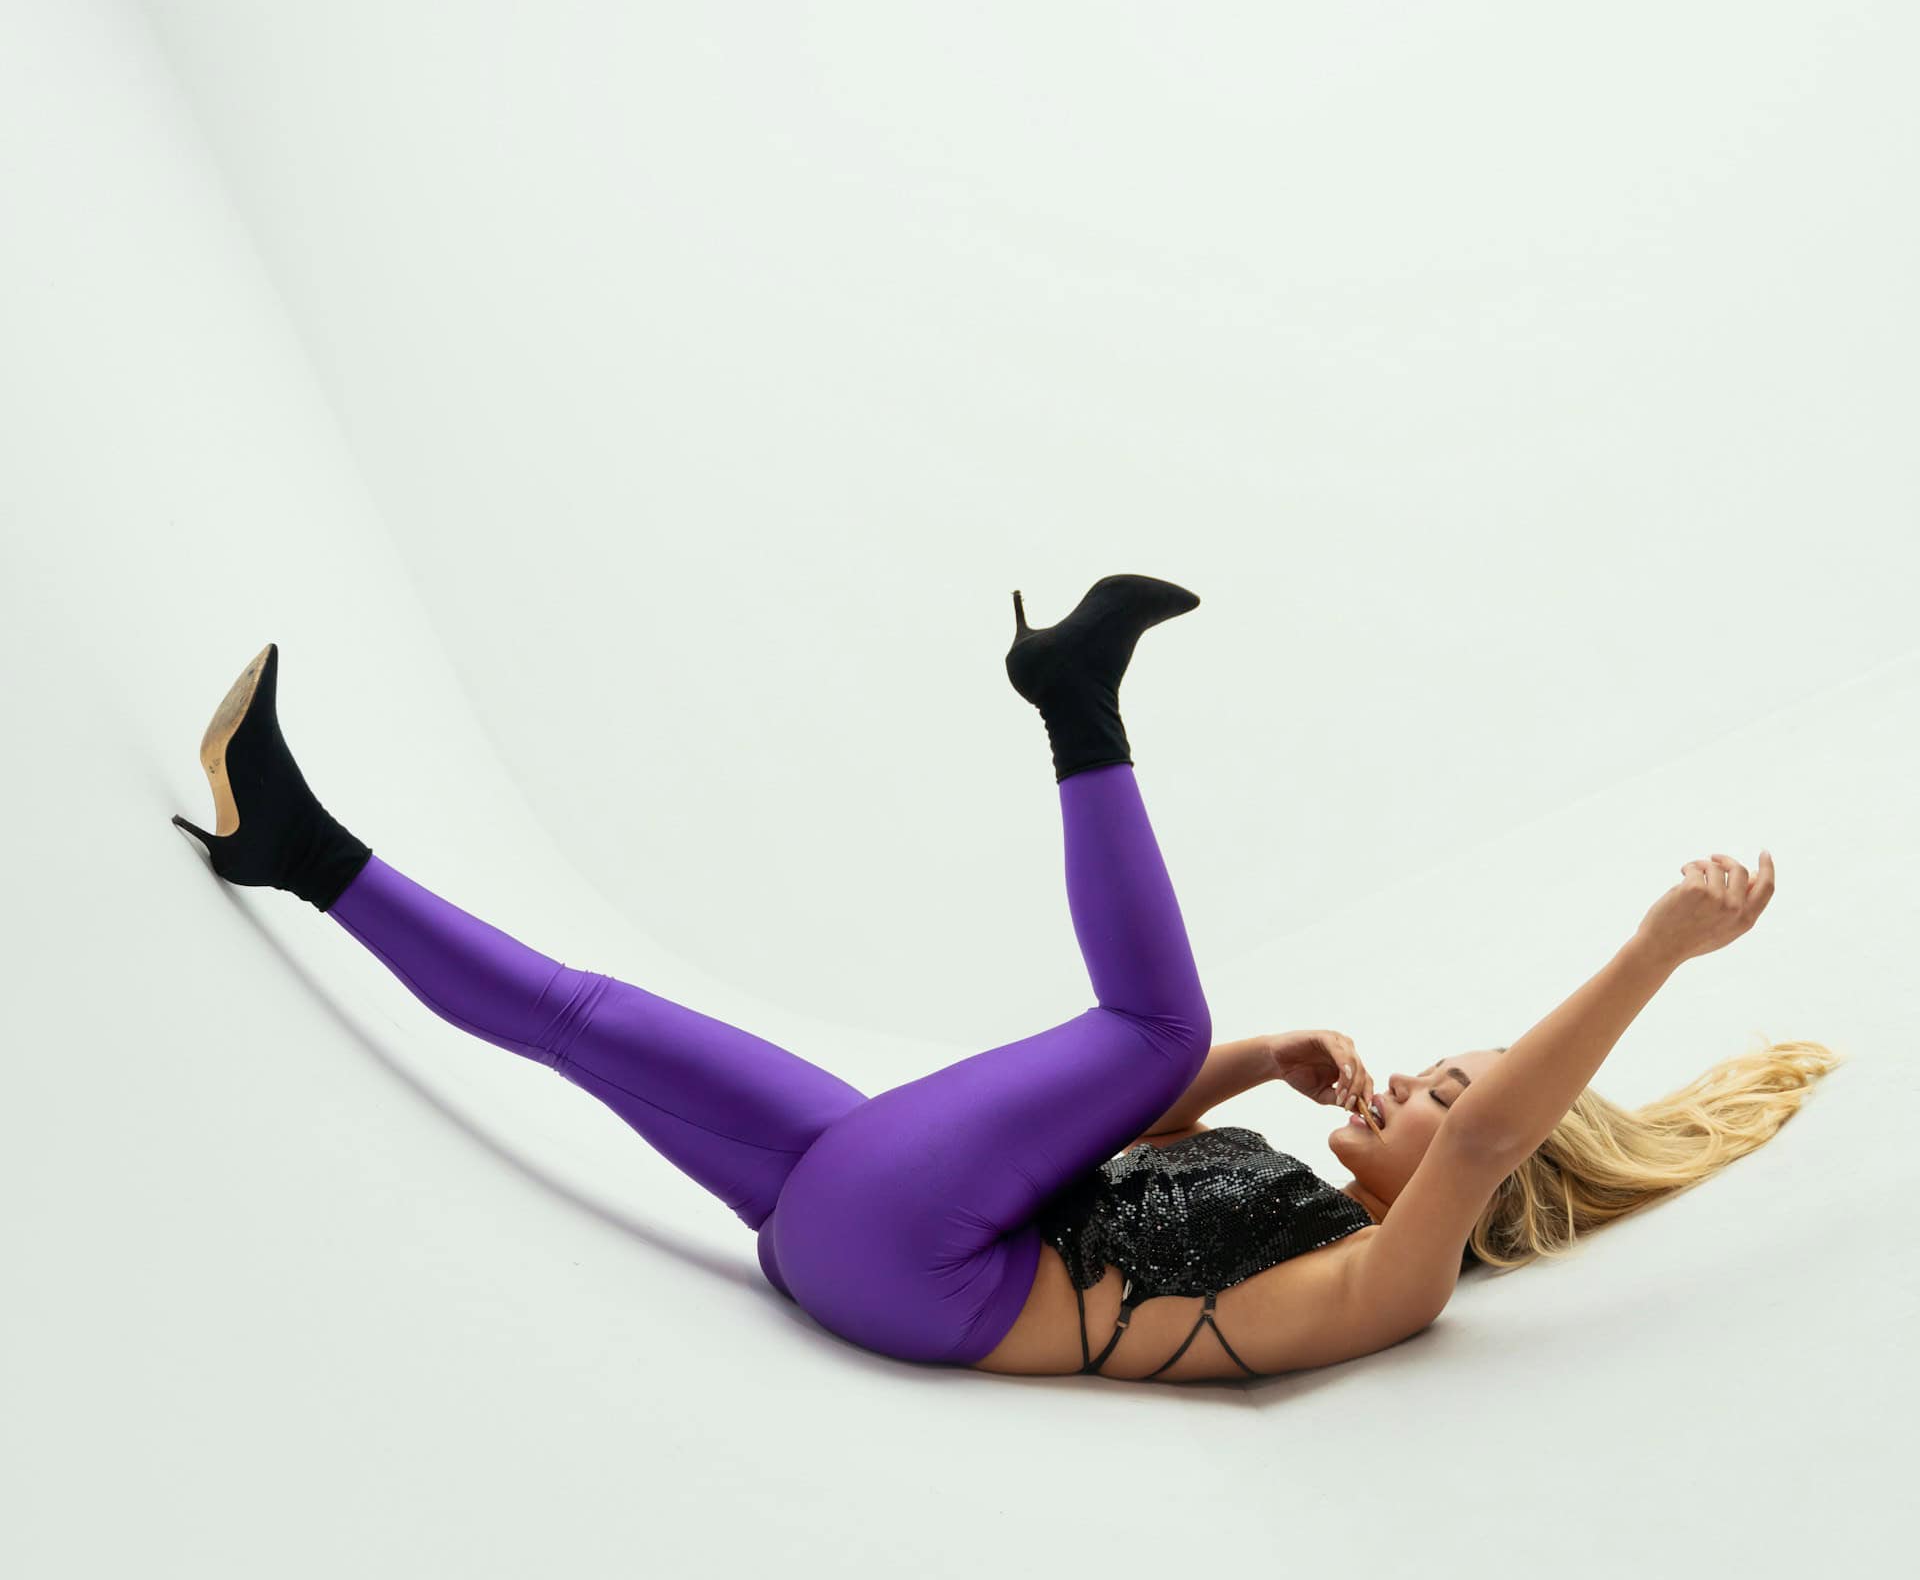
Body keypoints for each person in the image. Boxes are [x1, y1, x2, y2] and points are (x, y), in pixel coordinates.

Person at [171, 579, 1810, 1386]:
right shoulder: (1288, 1187)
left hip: (923, 1273)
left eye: (1448, 1091)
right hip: (861, 1217)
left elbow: (1491, 1137)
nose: (1419, 1086)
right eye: (1443, 1067)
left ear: (1493, 1182)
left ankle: (1074, 698)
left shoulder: (1390, 1284)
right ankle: (295, 849)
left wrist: (1657, 947)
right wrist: (1249, 1060)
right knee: (590, 1018)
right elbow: (1103, 1133)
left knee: (1146, 1020)